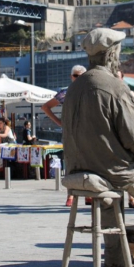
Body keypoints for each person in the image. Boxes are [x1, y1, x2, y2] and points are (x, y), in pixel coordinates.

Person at [62, 28, 134, 267]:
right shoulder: (115, 87)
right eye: (119, 53)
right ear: (112, 55)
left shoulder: (73, 88)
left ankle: (115, 261)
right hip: (113, 170)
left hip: (79, 170)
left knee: (109, 203)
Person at [41, 65, 86, 207]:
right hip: (70, 132)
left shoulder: (89, 91)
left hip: (87, 131)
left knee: (89, 162)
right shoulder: (65, 93)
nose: (78, 78)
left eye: (81, 76)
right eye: (75, 76)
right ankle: (70, 195)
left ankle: (88, 194)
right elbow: (45, 107)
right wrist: (59, 122)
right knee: (71, 162)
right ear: (71, 77)